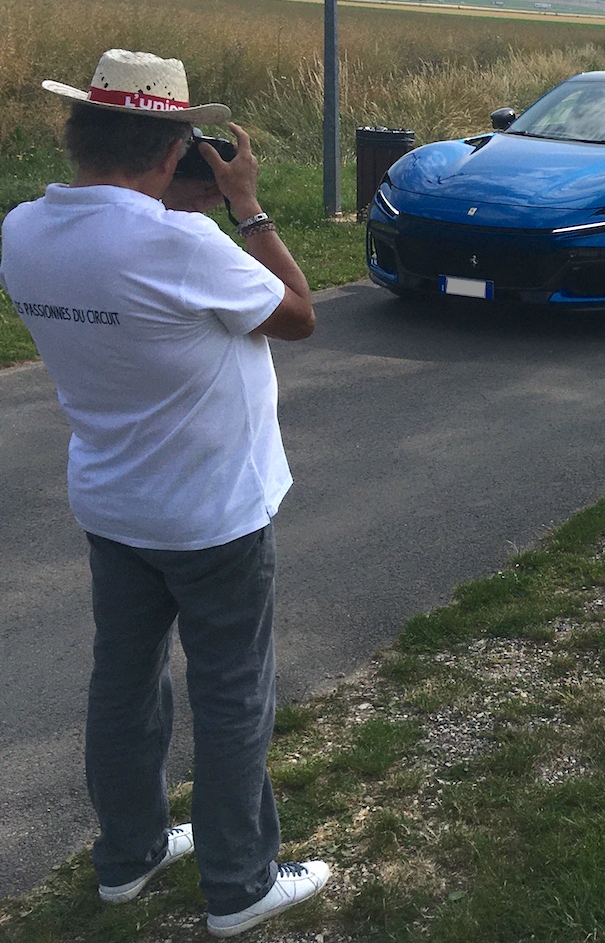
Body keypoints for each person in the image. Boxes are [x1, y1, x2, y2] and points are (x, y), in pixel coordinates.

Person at [0, 50, 331, 936]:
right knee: (232, 696)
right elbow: (298, 315)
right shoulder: (183, 245)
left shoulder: (22, 229)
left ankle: (129, 855)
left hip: (113, 503)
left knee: (124, 683)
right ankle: (240, 884)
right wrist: (247, 207)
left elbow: (124, 266)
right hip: (213, 513)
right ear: (174, 146)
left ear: (80, 134)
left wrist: (172, 202)